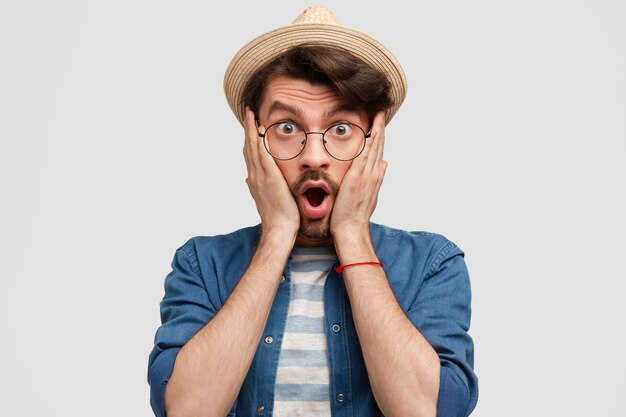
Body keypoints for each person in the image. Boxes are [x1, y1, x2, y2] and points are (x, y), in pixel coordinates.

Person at [148, 6, 478, 417]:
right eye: (287, 127)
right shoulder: (201, 264)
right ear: (254, 144)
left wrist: (354, 233)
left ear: (373, 145)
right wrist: (276, 238)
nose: (315, 157)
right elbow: (186, 411)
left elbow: (426, 411)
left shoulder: (432, 263)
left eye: (341, 129)